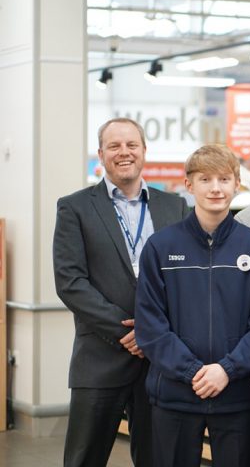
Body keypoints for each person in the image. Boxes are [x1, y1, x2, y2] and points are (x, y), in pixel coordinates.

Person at [53, 117, 188, 467]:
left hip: (158, 362)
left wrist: (152, 333)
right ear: (101, 154)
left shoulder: (174, 207)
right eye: (114, 146)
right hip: (100, 358)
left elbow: (183, 279)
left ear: (144, 151)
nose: (123, 152)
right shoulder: (75, 207)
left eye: (131, 145)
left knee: (158, 458)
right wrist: (128, 330)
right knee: (84, 458)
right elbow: (71, 282)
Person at [134, 144, 250, 467]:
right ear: (189, 185)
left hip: (237, 397)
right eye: (205, 179)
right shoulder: (161, 247)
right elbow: (151, 326)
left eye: (224, 179)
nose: (215, 188)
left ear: (236, 184)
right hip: (175, 395)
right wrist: (193, 371)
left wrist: (227, 369)